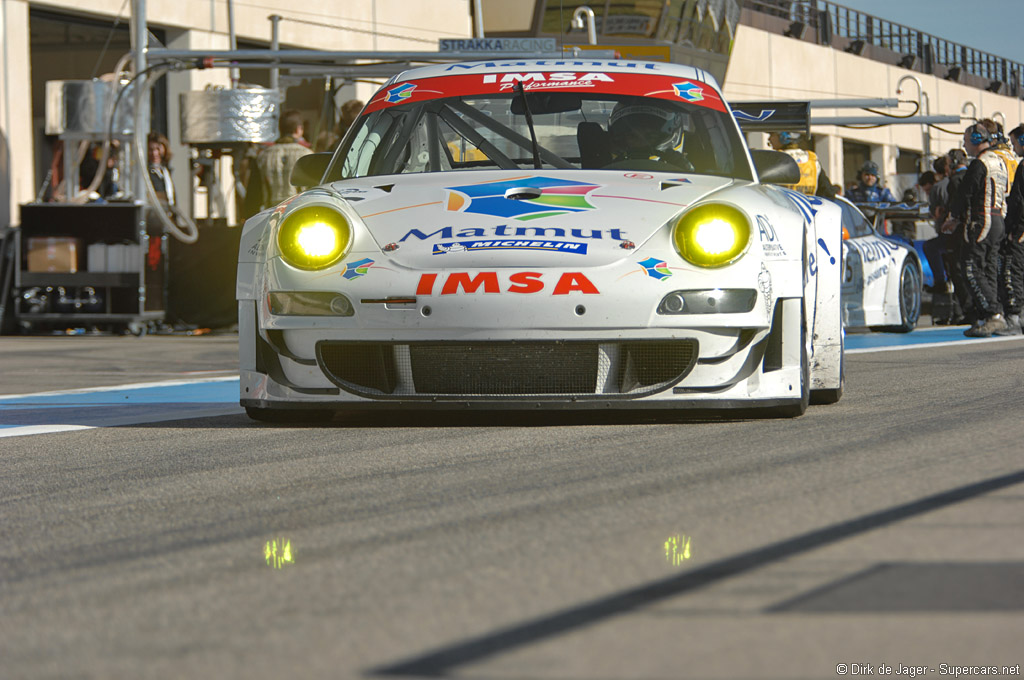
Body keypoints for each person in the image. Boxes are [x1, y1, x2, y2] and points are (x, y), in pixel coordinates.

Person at [948, 123, 1009, 337]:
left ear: (975, 139)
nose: (965, 144)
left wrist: (953, 217)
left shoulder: (980, 163)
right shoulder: (999, 162)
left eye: (966, 140)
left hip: (982, 219)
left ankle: (993, 314)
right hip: (998, 218)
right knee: (989, 267)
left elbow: (966, 192)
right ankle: (989, 315)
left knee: (971, 266)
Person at [243, 109, 313, 219]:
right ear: (299, 129)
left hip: (270, 215)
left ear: (280, 129)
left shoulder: (263, 156)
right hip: (299, 214)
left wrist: (248, 216)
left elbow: (254, 193)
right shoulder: (307, 155)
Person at [996, 124, 1024, 335]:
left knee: (1011, 271)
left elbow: (1019, 202)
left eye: (1014, 143)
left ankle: (1014, 318)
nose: (1013, 148)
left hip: (1019, 230)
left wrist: (1016, 228)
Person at [606, 100, 691, 170]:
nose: (640, 144)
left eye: (650, 137)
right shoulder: (601, 173)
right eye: (633, 137)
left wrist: (684, 169)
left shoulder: (694, 179)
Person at [767, 131, 836, 199]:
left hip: (782, 208)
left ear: (783, 137)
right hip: (807, 207)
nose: (769, 139)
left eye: (772, 134)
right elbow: (828, 193)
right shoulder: (812, 159)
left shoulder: (774, 159)